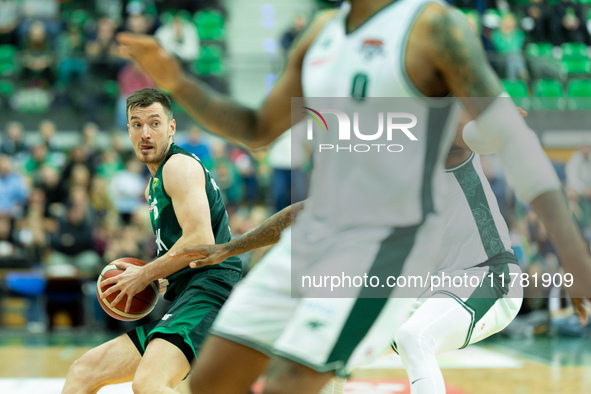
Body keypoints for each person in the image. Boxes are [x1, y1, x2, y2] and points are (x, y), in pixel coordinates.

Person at [117, 0, 591, 393]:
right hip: (407, 282)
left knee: (403, 339)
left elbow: (496, 136)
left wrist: (575, 259)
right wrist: (178, 83)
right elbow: (261, 139)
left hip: (484, 274)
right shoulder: (325, 39)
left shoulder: (432, 99)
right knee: (217, 379)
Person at [173, 111, 526, 394]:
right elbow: (301, 214)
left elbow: (475, 133)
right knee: (328, 347)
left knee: (413, 337)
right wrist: (230, 247)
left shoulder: (445, 139)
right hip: (429, 288)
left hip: (488, 274)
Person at [61, 88, 242, 393]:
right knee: (84, 371)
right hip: (188, 294)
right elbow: (183, 247)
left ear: (171, 128)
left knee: (150, 383)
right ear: (128, 131)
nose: (145, 133)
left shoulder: (178, 166)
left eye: (154, 123)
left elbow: (200, 239)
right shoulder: (153, 185)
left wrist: (146, 273)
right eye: (136, 124)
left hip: (210, 291)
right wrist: (166, 273)